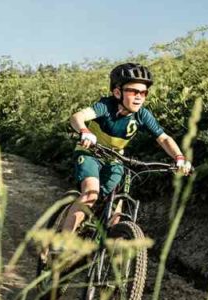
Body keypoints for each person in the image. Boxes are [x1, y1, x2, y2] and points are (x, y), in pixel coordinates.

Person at [61, 63, 193, 234]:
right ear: (117, 92)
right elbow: (77, 117)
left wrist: (179, 158)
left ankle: (104, 249)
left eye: (143, 93)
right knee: (91, 194)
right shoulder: (105, 106)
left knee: (116, 210)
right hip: (90, 153)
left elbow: (164, 138)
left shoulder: (142, 115)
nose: (139, 97)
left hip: (115, 159)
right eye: (133, 92)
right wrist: (84, 131)